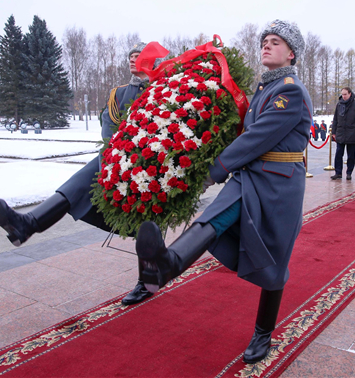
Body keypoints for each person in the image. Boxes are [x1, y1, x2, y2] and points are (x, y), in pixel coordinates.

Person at [134, 19, 312, 365]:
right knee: (212, 219)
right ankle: (166, 265)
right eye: (264, 41)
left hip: (279, 184)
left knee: (275, 261)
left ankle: (263, 333)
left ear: (291, 54)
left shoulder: (290, 90)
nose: (267, 45)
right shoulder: (266, 88)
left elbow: (255, 138)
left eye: (275, 42)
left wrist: (214, 171)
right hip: (251, 176)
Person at [0, 42, 155, 306]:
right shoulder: (120, 93)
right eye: (131, 57)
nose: (134, 61)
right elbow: (108, 132)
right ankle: (27, 224)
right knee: (82, 181)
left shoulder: (163, 90)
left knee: (147, 221)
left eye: (140, 57)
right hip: (118, 159)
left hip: (152, 165)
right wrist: (114, 163)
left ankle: (148, 279)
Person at [331, 87, 355, 181]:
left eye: (345, 94)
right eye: (342, 94)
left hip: (352, 134)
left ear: (350, 94)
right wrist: (334, 132)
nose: (344, 96)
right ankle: (338, 172)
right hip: (341, 133)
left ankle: (349, 172)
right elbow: (336, 119)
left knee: (351, 155)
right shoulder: (339, 105)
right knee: (338, 154)